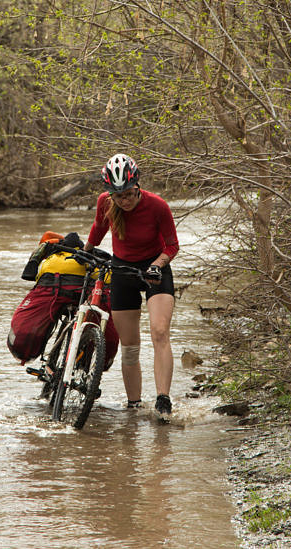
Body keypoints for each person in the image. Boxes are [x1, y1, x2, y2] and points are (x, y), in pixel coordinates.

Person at [83, 153, 179, 421]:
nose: (123, 200)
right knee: (130, 346)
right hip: (122, 270)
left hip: (154, 270)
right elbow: (97, 230)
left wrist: (158, 264)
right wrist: (83, 253)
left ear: (137, 186)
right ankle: (134, 406)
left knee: (159, 331)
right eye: (117, 195)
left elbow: (172, 245)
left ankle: (163, 400)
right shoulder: (105, 203)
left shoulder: (158, 206)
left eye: (128, 194)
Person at [8, 231, 119, 397]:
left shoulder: (52, 253)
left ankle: (50, 367)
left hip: (55, 287)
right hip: (87, 290)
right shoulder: (100, 259)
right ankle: (83, 364)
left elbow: (33, 274)